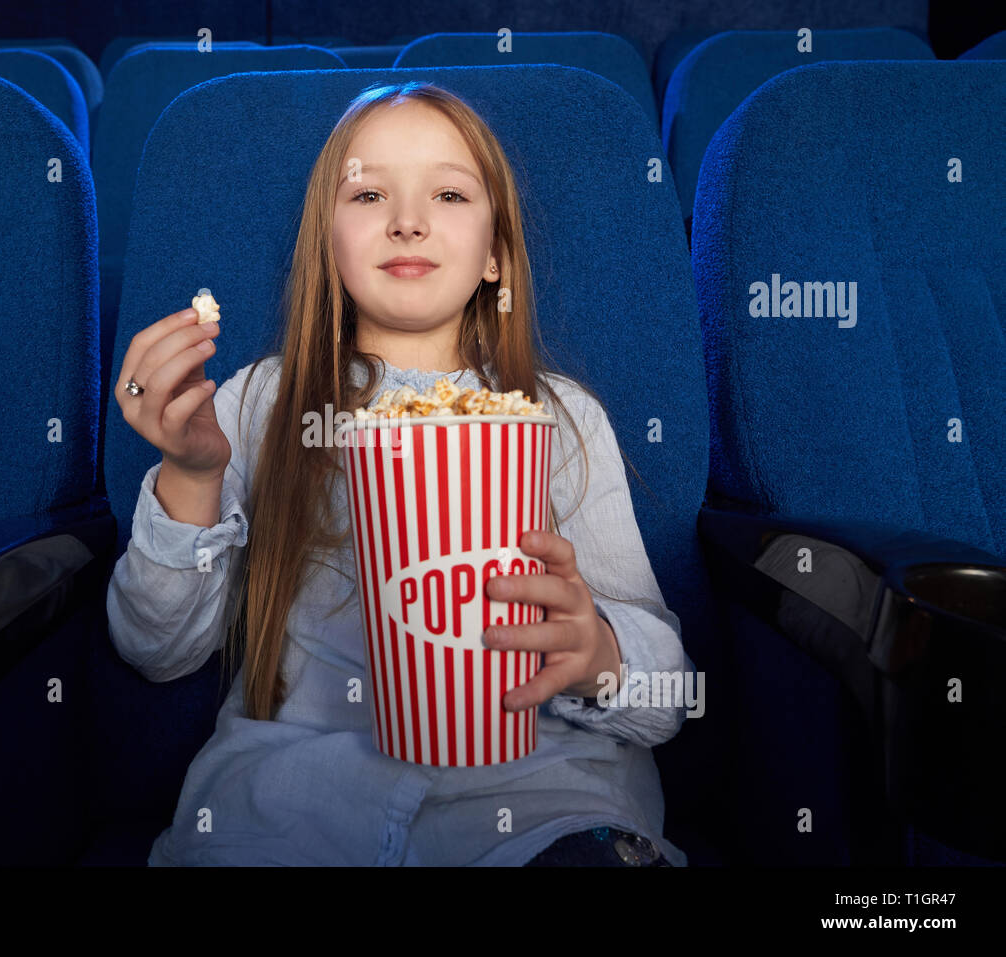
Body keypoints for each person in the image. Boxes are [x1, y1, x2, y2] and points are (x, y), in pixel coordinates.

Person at [108, 81, 694, 866]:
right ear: (328, 242)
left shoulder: (560, 419)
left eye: (449, 193)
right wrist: (191, 471)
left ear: (495, 254)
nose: (408, 219)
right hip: (297, 811)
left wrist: (599, 656)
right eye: (370, 192)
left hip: (537, 806)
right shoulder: (260, 402)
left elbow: (668, 692)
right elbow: (157, 648)